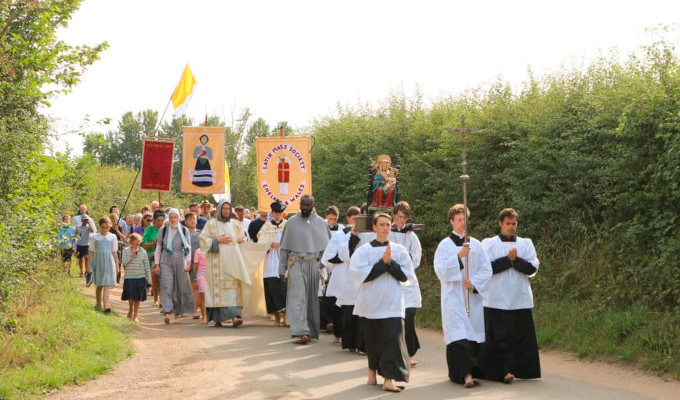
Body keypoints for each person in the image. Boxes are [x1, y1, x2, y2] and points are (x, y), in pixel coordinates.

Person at [349, 213, 415, 393]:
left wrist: (390, 263)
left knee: (392, 340)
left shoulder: (399, 250)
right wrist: (382, 264)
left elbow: (406, 276)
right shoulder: (363, 250)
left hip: (393, 303)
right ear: (374, 227)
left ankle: (388, 379)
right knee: (373, 340)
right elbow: (360, 275)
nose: (386, 228)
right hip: (372, 303)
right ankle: (371, 371)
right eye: (382, 225)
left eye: (388, 225)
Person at [433, 204, 492, 387]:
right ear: (451, 221)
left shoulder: (476, 244)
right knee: (458, 334)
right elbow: (440, 270)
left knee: (473, 334)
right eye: (459, 220)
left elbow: (486, 269)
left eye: (465, 220)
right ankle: (464, 374)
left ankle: (472, 371)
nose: (462, 223)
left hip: (471, 297)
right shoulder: (444, 245)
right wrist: (458, 257)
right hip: (453, 297)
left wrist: (473, 283)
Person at [480, 208, 541, 383]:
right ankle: (502, 371)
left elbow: (532, 269)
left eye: (514, 224)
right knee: (499, 338)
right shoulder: (489, 244)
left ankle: (523, 370)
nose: (511, 227)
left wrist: (515, 261)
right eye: (508, 224)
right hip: (496, 299)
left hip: (519, 298)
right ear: (500, 224)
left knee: (521, 338)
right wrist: (508, 260)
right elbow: (485, 269)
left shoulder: (525, 244)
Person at [278, 194, 332, 344]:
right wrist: (282, 269)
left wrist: (324, 267)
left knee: (311, 298)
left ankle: (310, 330)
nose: (305, 208)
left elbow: (327, 250)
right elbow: (284, 249)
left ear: (313, 205)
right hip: (296, 263)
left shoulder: (321, 223)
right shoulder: (292, 222)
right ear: (300, 205)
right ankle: (300, 330)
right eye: (303, 205)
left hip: (313, 264)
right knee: (298, 296)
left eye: (308, 205)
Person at [199, 200, 249, 327]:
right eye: (224, 208)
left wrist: (241, 239)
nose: (227, 211)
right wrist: (216, 240)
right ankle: (217, 319)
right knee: (217, 291)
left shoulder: (236, 224)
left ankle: (234, 317)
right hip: (217, 265)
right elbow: (203, 240)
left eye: (228, 208)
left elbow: (244, 237)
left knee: (232, 290)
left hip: (232, 263)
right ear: (219, 209)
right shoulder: (211, 224)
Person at [321, 206, 362, 344]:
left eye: (358, 219)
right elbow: (328, 256)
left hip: (356, 275)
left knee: (353, 307)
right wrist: (344, 259)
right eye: (353, 219)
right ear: (348, 218)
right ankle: (337, 334)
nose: (355, 222)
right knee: (338, 307)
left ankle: (352, 337)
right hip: (341, 273)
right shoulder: (340, 234)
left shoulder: (365, 234)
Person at [389, 201, 423, 367]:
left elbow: (415, 259)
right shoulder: (387, 234)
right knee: (394, 319)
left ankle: (409, 353)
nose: (402, 220)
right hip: (392, 281)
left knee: (409, 318)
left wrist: (403, 264)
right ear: (394, 216)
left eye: (404, 217)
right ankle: (395, 354)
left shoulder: (412, 236)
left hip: (408, 281)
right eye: (399, 216)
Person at [153, 209, 194, 324]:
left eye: (175, 217)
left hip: (180, 259)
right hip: (166, 259)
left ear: (179, 218)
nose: (173, 219)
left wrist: (188, 262)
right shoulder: (164, 230)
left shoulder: (185, 231)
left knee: (178, 288)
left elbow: (188, 247)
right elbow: (158, 247)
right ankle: (167, 312)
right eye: (171, 217)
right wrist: (157, 264)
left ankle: (177, 314)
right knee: (167, 286)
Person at [257, 201, 288, 326]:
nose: (277, 216)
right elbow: (260, 242)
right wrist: (269, 244)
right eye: (275, 213)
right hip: (270, 261)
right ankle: (275, 317)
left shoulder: (286, 225)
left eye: (280, 213)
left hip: (282, 259)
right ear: (272, 213)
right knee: (270, 287)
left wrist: (282, 245)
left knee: (283, 288)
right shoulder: (266, 226)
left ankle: (285, 316)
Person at [88, 217, 119, 313]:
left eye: (107, 227)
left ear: (110, 227)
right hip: (98, 261)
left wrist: (117, 266)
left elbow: (114, 252)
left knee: (107, 284)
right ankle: (98, 304)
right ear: (100, 227)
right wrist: (88, 265)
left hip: (109, 261)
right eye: (103, 227)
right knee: (100, 284)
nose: (105, 229)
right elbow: (91, 251)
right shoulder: (94, 237)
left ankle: (106, 305)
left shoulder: (113, 237)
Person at [121, 233, 151, 322]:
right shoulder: (126, 250)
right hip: (129, 277)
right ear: (130, 242)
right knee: (130, 296)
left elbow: (146, 266)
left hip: (140, 277)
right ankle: (130, 309)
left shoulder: (143, 251)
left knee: (138, 298)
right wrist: (132, 255)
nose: (135, 245)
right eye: (133, 243)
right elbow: (124, 263)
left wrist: (149, 279)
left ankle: (135, 315)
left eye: (137, 244)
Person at [143, 211, 165, 306]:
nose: (160, 222)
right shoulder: (149, 229)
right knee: (154, 275)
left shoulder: (165, 229)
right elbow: (143, 244)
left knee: (164, 278)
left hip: (164, 256)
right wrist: (153, 243)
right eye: (158, 220)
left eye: (162, 221)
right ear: (154, 220)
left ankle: (162, 299)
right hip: (152, 255)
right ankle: (155, 298)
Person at [184, 211, 202, 319]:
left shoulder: (201, 233)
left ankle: (194, 310)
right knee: (185, 287)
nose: (192, 221)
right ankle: (185, 309)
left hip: (197, 263)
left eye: (194, 218)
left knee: (196, 286)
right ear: (185, 222)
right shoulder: (182, 232)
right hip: (185, 262)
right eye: (189, 219)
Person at [75, 213, 95, 278]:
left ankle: (87, 270)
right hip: (79, 244)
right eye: (84, 220)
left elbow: (93, 231)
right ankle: (81, 272)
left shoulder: (88, 227)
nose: (86, 221)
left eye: (87, 220)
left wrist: (89, 223)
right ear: (82, 220)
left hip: (86, 244)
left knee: (86, 258)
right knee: (80, 259)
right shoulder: (78, 227)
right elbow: (75, 236)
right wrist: (73, 244)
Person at [109, 213, 127, 285]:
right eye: (112, 221)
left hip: (118, 248)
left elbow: (124, 238)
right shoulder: (107, 228)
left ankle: (117, 281)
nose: (113, 222)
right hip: (109, 248)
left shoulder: (119, 227)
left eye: (115, 221)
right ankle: (110, 280)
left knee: (118, 263)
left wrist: (117, 231)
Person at [193, 247, 208, 324]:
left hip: (212, 274)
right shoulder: (198, 251)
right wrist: (197, 275)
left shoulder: (213, 248)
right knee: (203, 295)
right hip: (201, 274)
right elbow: (195, 265)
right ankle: (204, 316)